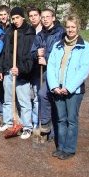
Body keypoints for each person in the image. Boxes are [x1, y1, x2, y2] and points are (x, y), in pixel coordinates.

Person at [47, 14, 89, 160]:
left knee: (71, 120)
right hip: (58, 89)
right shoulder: (57, 45)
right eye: (68, 26)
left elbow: (84, 69)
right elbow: (51, 66)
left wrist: (69, 87)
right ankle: (60, 147)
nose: (70, 29)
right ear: (65, 27)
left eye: (73, 27)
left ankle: (69, 149)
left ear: (77, 28)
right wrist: (54, 86)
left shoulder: (84, 46)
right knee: (61, 119)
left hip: (74, 90)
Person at [0, 7, 35, 140]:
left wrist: (21, 69)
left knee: (24, 102)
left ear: (23, 18)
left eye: (17, 18)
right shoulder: (9, 31)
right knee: (7, 100)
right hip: (8, 71)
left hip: (21, 74)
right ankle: (8, 122)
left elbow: (31, 57)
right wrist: (0, 69)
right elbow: (4, 52)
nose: (15, 20)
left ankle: (27, 127)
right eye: (13, 18)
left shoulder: (29, 32)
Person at [30, 8, 65, 136]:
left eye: (48, 17)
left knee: (52, 99)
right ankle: (46, 125)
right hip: (44, 73)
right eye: (43, 17)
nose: (45, 19)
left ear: (53, 18)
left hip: (58, 73)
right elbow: (32, 52)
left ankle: (53, 130)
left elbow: (62, 54)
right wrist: (36, 54)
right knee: (44, 96)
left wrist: (47, 59)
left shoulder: (61, 33)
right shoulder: (40, 35)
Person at [27, 6, 43, 129]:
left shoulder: (44, 32)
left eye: (35, 15)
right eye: (31, 16)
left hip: (41, 70)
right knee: (30, 97)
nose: (33, 18)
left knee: (39, 97)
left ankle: (37, 123)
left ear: (40, 15)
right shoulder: (29, 31)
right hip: (30, 69)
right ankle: (31, 121)